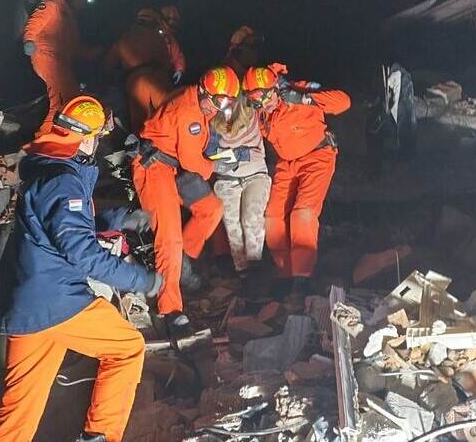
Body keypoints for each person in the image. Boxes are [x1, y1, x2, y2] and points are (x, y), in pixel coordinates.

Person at [0, 95, 162, 442]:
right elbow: (81, 252)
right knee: (127, 348)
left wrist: (119, 218)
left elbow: (63, 225)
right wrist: (141, 279)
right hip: (58, 299)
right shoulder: (62, 180)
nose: (98, 143)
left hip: (27, 302)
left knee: (19, 412)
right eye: (98, 136)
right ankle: (99, 437)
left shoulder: (50, 168)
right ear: (86, 137)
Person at [131, 66, 239, 333]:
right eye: (217, 101)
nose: (219, 107)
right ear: (204, 91)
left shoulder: (200, 104)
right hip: (155, 169)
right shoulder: (188, 110)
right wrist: (221, 166)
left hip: (174, 166)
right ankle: (170, 309)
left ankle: (183, 263)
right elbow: (194, 163)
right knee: (169, 238)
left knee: (211, 209)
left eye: (226, 103)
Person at [242, 64, 351, 297]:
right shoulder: (261, 111)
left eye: (264, 97)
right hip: (287, 163)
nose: (262, 104)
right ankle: (285, 273)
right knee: (272, 216)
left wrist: (304, 99)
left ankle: (302, 278)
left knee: (302, 213)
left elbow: (343, 102)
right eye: (254, 100)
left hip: (317, 155)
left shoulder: (298, 90)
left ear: (275, 88)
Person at [23, 0, 100, 138]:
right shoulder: (53, 6)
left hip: (62, 64)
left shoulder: (71, 21)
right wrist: (29, 40)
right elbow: (34, 23)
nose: (82, 3)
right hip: (46, 56)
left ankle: (60, 137)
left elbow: (73, 48)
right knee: (61, 102)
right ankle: (42, 140)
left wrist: (94, 53)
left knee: (73, 100)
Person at [208, 95, 271, 288]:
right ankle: (242, 272)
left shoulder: (251, 113)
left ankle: (256, 267)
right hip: (227, 179)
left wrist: (235, 155)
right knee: (232, 224)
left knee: (251, 218)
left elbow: (257, 153)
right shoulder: (211, 122)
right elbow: (209, 154)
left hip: (255, 174)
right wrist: (239, 154)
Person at [103, 8, 174, 134]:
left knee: (140, 127)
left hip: (136, 83)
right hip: (159, 81)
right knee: (166, 119)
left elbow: (108, 65)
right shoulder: (159, 39)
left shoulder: (125, 37)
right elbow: (167, 64)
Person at [159, 5, 186, 85]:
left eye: (175, 21)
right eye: (170, 20)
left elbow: (178, 55)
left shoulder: (171, 40)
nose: (172, 23)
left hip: (164, 74)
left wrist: (179, 69)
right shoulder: (151, 34)